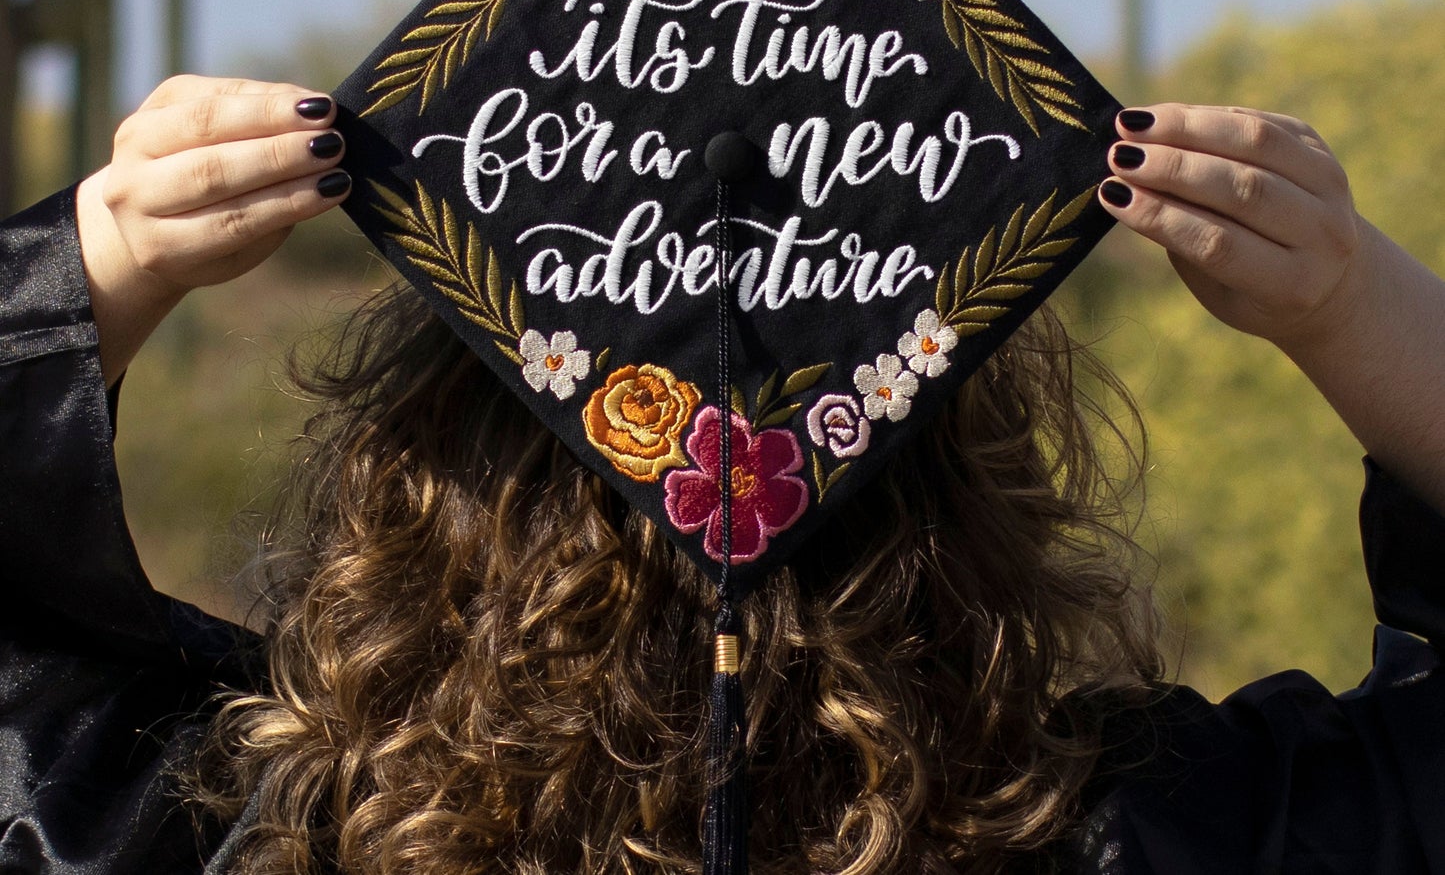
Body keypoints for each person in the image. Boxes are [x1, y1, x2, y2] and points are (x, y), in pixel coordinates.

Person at [3, 75, 1443, 873]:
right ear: (966, 483)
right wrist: (1352, 304)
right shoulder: (1140, 841)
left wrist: (100, 261)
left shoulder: (246, 837)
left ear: (427, 469)